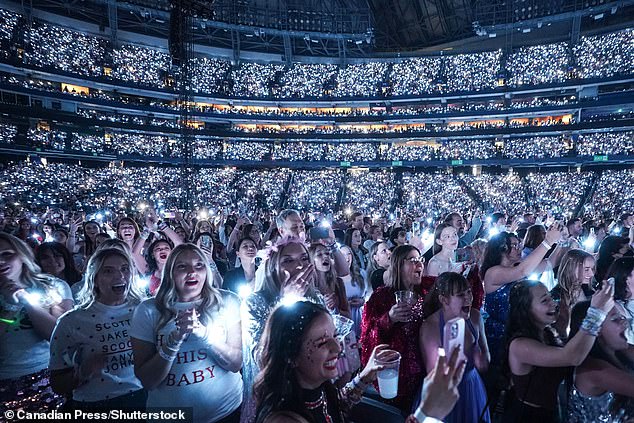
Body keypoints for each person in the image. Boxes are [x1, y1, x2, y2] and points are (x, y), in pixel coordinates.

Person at [254, 300, 466, 423]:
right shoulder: (283, 420)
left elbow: (337, 404)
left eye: (335, 336)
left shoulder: (312, 387)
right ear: (290, 355)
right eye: (321, 342)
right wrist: (427, 414)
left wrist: (366, 375)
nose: (337, 348)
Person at [131, 243, 243, 423]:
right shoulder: (148, 310)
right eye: (182, 266)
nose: (192, 272)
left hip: (225, 412)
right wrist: (173, 342)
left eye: (199, 265)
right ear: (170, 273)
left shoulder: (228, 301)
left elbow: (235, 363)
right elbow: (148, 381)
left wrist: (204, 334)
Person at [502, 279, 614, 422]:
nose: (554, 304)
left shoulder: (547, 333)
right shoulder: (519, 345)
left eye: (550, 297)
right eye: (544, 301)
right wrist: (597, 313)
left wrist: (562, 331)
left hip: (553, 413)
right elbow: (572, 357)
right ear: (525, 309)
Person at [49, 248, 146, 410]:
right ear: (94, 278)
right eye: (108, 271)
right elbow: (57, 384)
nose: (120, 276)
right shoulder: (71, 321)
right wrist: (82, 373)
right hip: (95, 405)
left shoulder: (146, 311)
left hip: (143, 397)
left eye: (124, 269)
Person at [241, 238, 322, 423]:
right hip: (275, 397)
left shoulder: (316, 299)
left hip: (310, 391)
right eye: (288, 260)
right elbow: (261, 355)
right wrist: (286, 302)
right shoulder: (254, 303)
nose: (300, 266)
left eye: (303, 259)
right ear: (272, 267)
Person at [0, 233, 73, 413]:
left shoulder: (51, 286)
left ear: (22, 255)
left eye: (7, 254)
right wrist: (9, 307)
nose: (0, 261)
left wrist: (25, 300)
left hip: (46, 375)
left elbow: (57, 335)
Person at [480, 226, 561, 367]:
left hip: (519, 331)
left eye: (519, 244)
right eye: (515, 245)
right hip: (500, 335)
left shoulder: (517, 267)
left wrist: (562, 242)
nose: (519, 248)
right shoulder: (492, 273)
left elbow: (550, 263)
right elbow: (523, 271)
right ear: (501, 249)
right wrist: (547, 241)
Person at [360, 245, 425, 412]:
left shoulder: (426, 292)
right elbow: (367, 338)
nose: (419, 264)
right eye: (413, 260)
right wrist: (389, 319)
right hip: (395, 374)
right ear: (398, 265)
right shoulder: (381, 297)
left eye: (420, 259)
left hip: (424, 371)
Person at [419, 272, 490, 423]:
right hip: (442, 394)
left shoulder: (475, 318)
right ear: (444, 300)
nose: (468, 298)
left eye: (469, 292)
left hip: (472, 388)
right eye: (460, 295)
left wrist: (477, 353)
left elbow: (484, 365)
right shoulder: (430, 327)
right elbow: (434, 377)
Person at [566, 300, 634, 422]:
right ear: (596, 332)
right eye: (615, 319)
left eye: (622, 317)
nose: (624, 322)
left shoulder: (619, 351)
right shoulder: (592, 369)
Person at [551, 249, 596, 335]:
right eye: (586, 269)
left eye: (592, 269)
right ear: (571, 269)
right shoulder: (555, 298)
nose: (591, 274)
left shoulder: (591, 292)